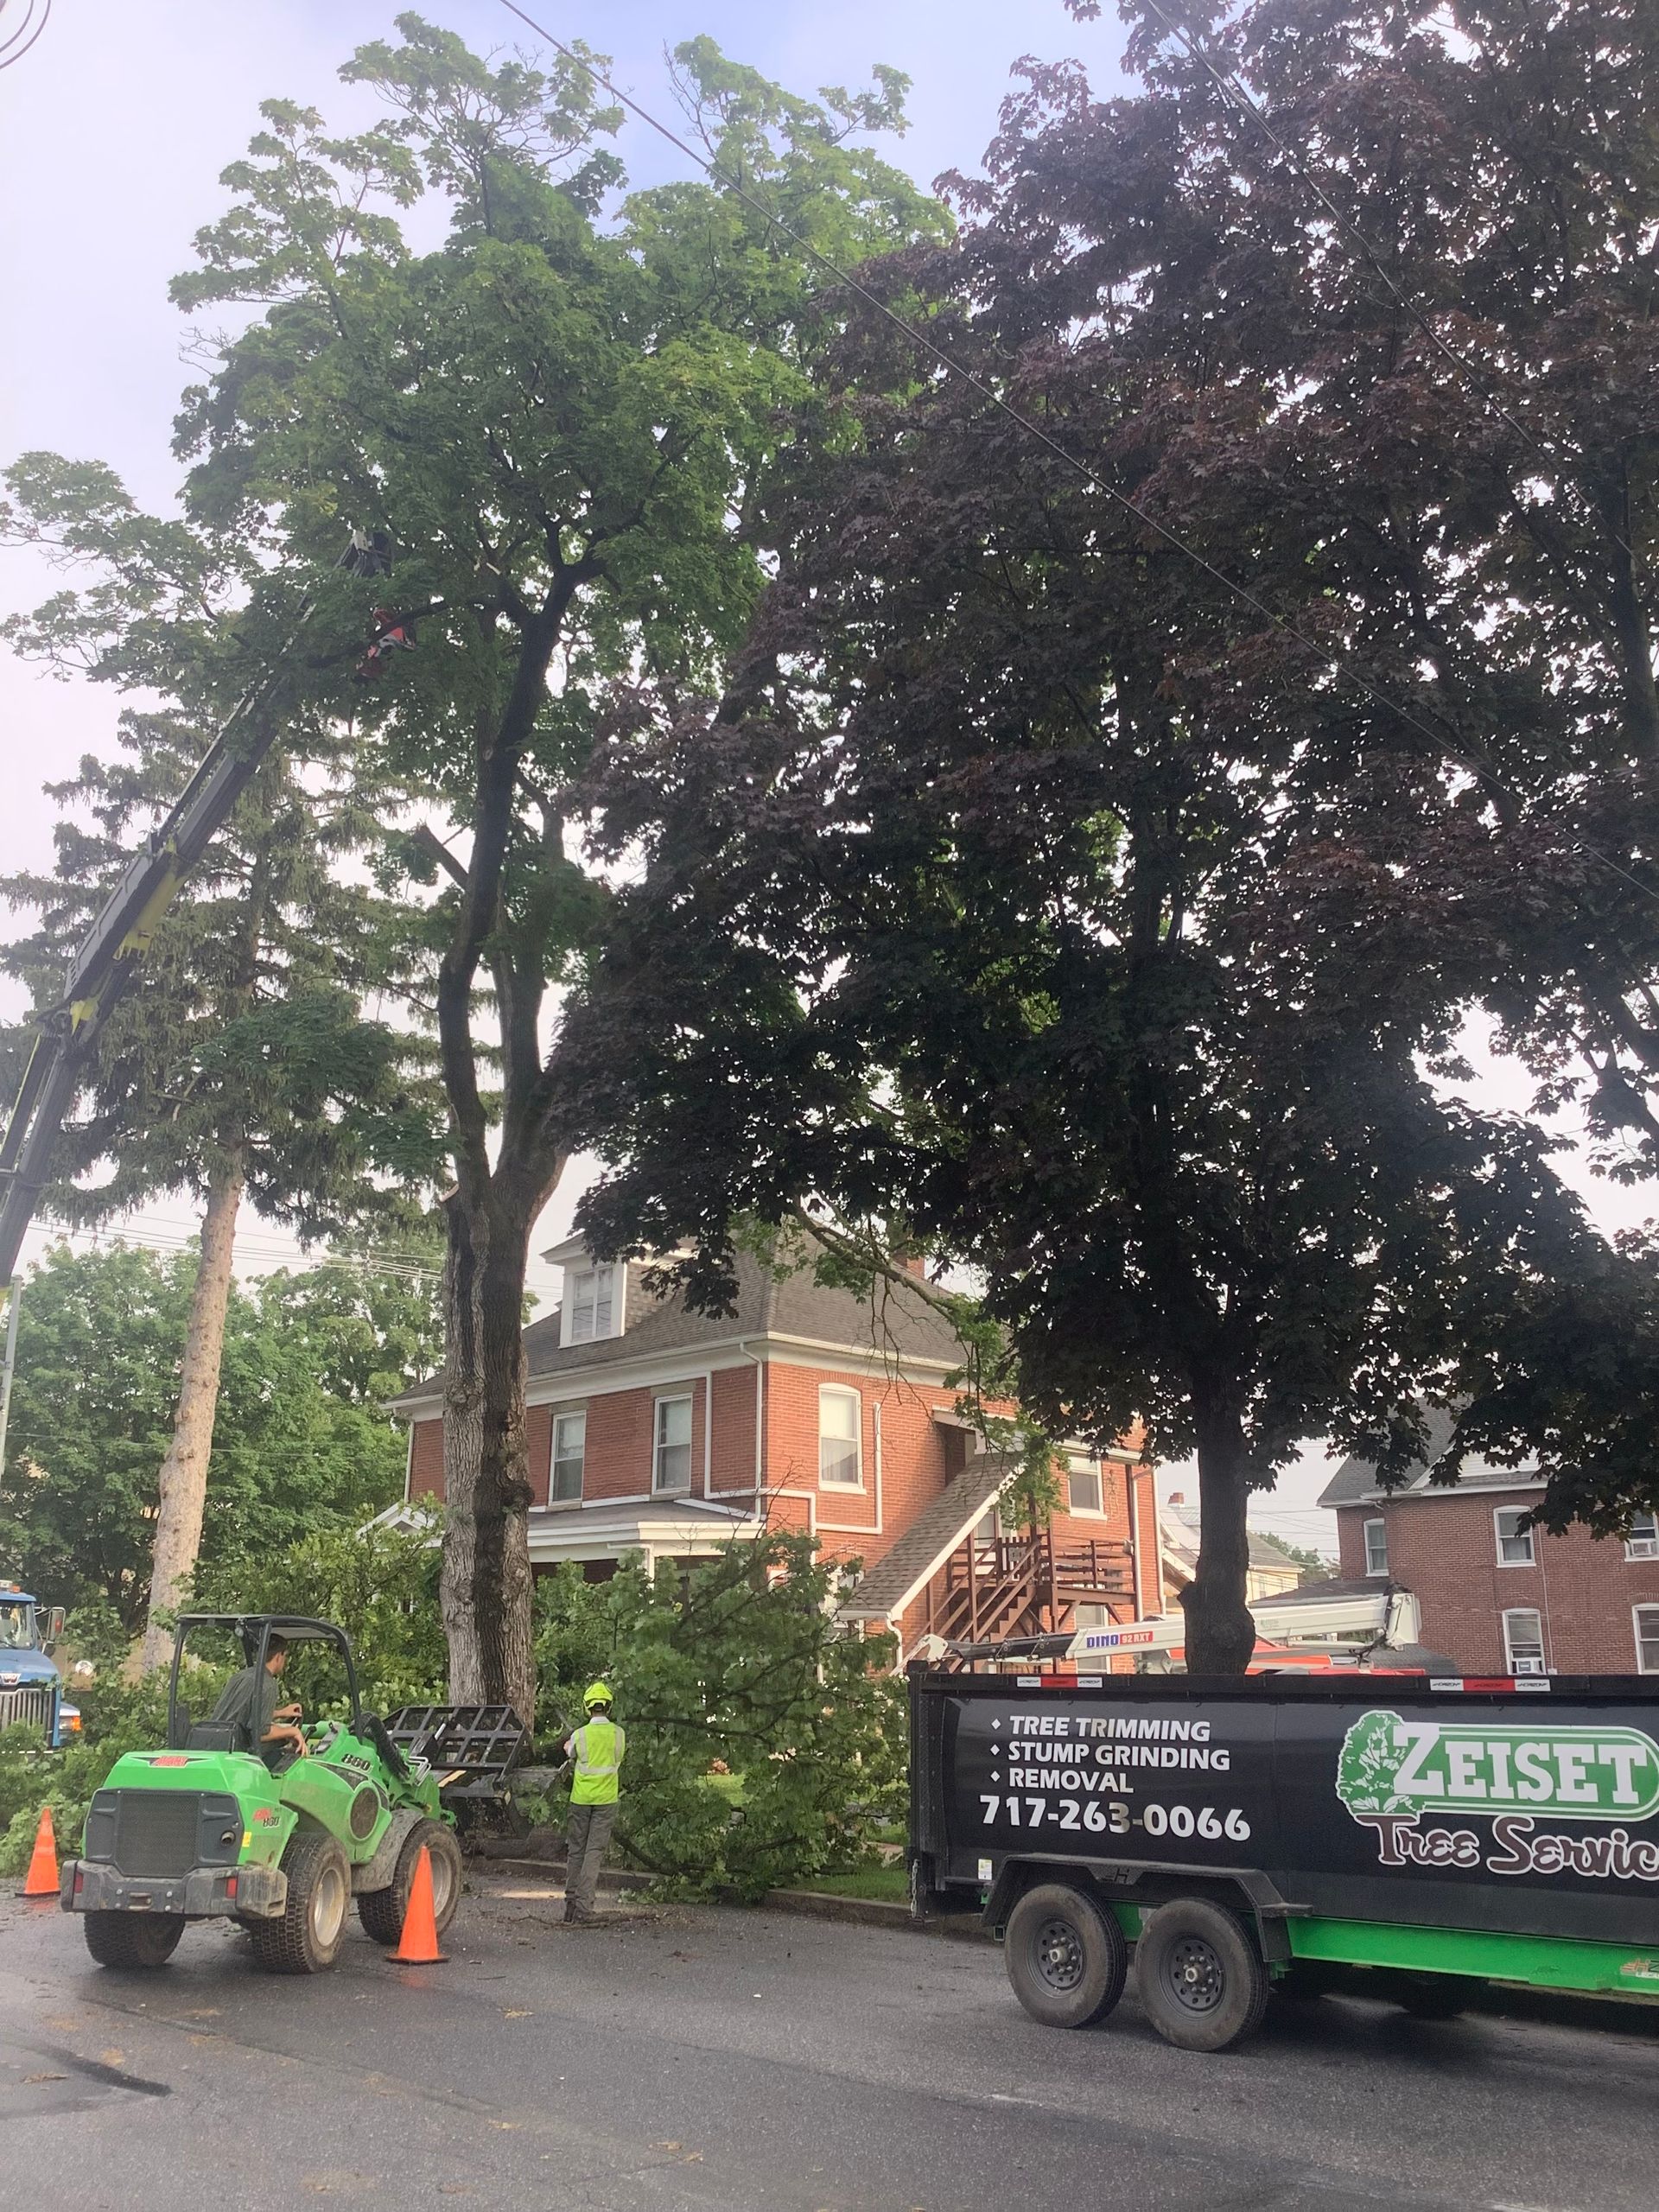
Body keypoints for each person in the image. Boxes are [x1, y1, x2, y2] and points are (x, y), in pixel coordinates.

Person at [563, 1682, 626, 1924]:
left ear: (587, 1708)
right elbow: (617, 1757)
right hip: (606, 1801)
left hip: (580, 1799)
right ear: (608, 1706)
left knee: (576, 1851)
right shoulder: (618, 1734)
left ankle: (570, 1905)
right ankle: (584, 1906)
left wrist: (569, 1747)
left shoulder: (580, 1735)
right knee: (593, 1852)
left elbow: (571, 1752)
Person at [211, 1634, 307, 1767]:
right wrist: (292, 1731)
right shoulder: (267, 1684)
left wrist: (280, 1713)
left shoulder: (240, 1677)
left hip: (215, 1744)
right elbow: (260, 1733)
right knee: (292, 1760)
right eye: (285, 1656)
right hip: (238, 1754)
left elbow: (242, 1713)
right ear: (279, 1656)